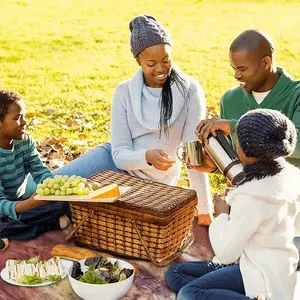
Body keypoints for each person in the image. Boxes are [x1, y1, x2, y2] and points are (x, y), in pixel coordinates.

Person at [46, 15, 214, 224]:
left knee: (87, 213)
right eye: (151, 63)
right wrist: (146, 156)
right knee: (48, 189)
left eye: (166, 59)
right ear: (138, 61)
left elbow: (193, 156)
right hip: (113, 163)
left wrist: (205, 210)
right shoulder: (124, 92)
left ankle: (62, 216)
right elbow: (119, 155)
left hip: (150, 185)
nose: (161, 69)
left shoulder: (190, 91)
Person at [165, 109, 300, 300]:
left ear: (245, 150)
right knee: (175, 274)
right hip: (273, 266)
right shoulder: (291, 177)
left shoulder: (251, 196)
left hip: (260, 276)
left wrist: (222, 215)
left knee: (189, 293)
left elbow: (226, 253)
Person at [196, 29, 300, 257]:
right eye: (233, 68)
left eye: (242, 69)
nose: (236, 76)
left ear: (265, 63)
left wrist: (235, 126)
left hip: (288, 206)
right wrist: (215, 166)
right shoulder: (230, 99)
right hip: (249, 205)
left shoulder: (296, 95)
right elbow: (243, 160)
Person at [0, 90, 69, 240]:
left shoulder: (25, 141)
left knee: (64, 204)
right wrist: (31, 204)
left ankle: (20, 229)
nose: (24, 122)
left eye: (24, 116)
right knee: (2, 224)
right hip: (5, 208)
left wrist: (54, 189)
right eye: (17, 118)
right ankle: (47, 225)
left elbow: (40, 172)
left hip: (20, 202)